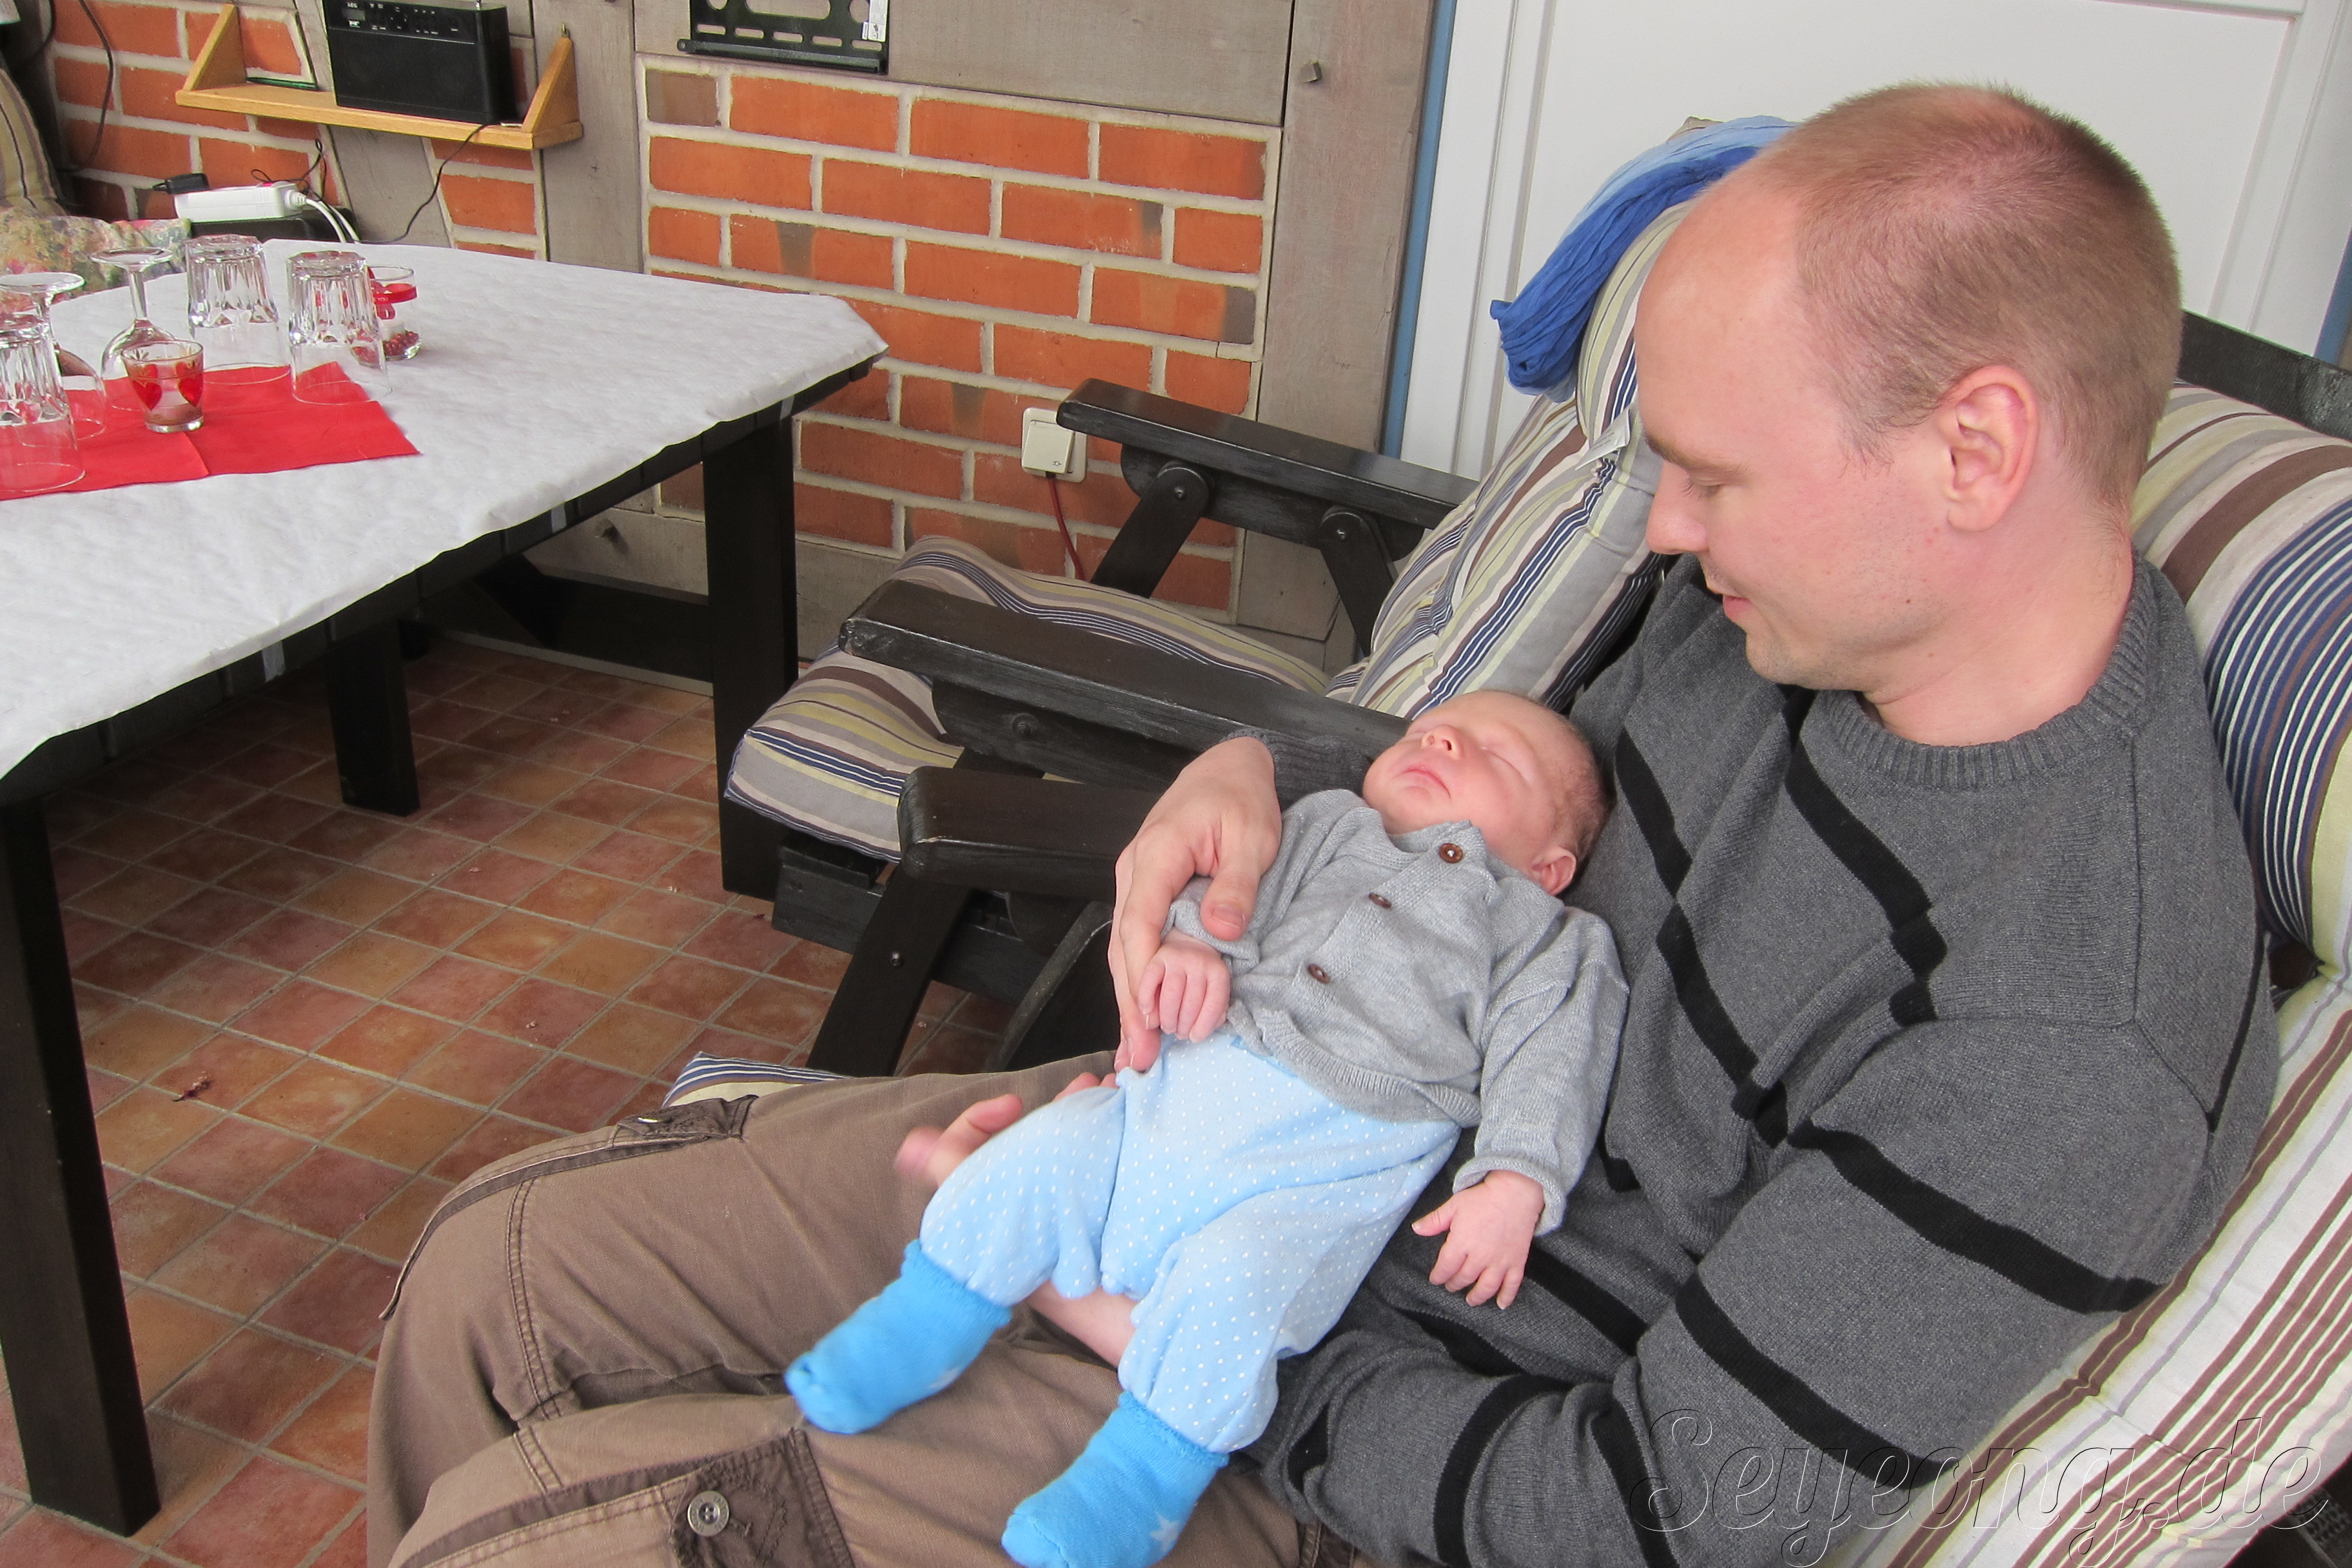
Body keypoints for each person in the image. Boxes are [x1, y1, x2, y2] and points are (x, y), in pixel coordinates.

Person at [367, 83, 2276, 1568]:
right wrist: (1257, 783)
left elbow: (1636, 1520)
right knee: (484, 1282)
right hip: (1203, 1126)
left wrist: (1169, 1341)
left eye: (1711, 476)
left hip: (1319, 1439)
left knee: (524, 1537)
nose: (1663, 531)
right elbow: (1493, 816)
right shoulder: (1792, 605)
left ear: (1974, 450)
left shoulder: (2067, 1037)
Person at [783, 693, 1627, 1568]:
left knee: (1241, 1291)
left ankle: (1140, 1479)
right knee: (1040, 1155)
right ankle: (925, 1319)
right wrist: (1190, 944)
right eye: (1427, 731)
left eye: (1496, 754)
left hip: (1319, 1171)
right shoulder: (1330, 822)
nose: (1442, 738)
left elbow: (1554, 1057)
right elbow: (1231, 893)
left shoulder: (1548, 937)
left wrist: (1516, 1178)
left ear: (1551, 867)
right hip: (1170, 1101)